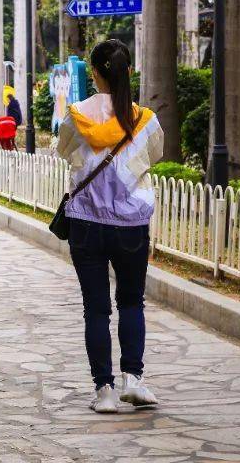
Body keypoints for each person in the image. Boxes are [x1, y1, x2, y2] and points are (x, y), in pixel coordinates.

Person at [56, 39, 164, 414]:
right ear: (128, 72)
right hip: (131, 224)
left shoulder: (75, 115)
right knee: (132, 300)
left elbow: (65, 151)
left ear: (95, 74)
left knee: (96, 308)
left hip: (86, 222)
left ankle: (104, 391)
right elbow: (155, 155)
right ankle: (133, 379)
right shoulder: (145, 120)